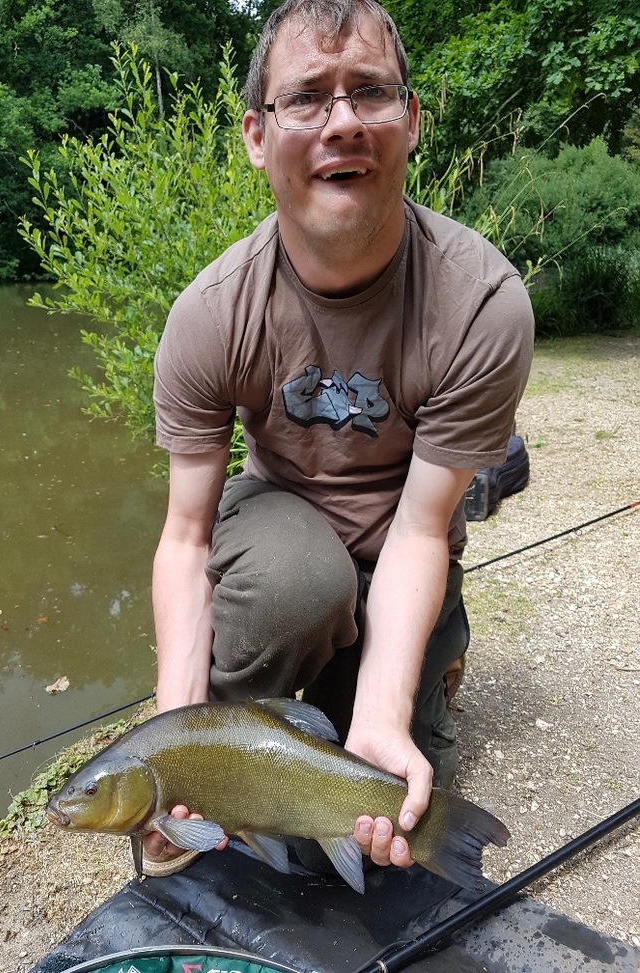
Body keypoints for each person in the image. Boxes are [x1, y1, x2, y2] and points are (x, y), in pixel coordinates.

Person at [145, 0, 534, 878]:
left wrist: (386, 716)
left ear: (412, 120)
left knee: (385, 801)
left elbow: (424, 528)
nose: (345, 122)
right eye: (308, 98)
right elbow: (186, 537)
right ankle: (245, 746)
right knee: (297, 586)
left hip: (404, 538)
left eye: (370, 93)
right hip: (278, 528)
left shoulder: (482, 302)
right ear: (256, 134)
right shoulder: (209, 315)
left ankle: (425, 663)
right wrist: (177, 743)